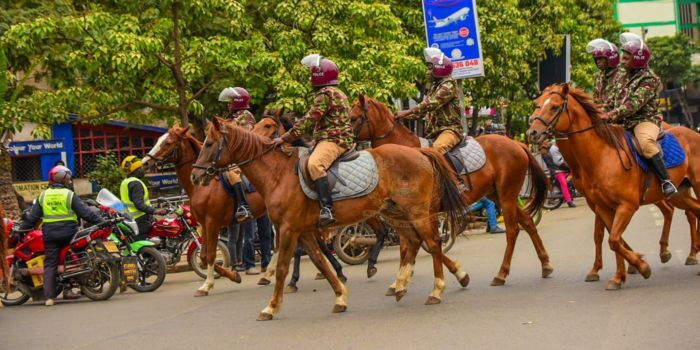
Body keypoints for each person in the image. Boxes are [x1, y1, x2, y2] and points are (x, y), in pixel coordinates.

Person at [273, 54, 355, 227]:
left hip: (334, 140)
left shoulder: (325, 94)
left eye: (312, 74)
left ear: (319, 75)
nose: (310, 78)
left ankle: (327, 209)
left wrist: (285, 137)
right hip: (330, 138)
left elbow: (310, 120)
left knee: (314, 164)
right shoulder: (336, 92)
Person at [19, 166, 105, 306]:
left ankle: (49, 298)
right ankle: (73, 287)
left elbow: (32, 218)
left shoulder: (43, 195)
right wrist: (101, 222)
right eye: (68, 178)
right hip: (69, 233)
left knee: (50, 264)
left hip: (50, 234)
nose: (69, 180)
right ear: (64, 179)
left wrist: (21, 230)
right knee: (74, 257)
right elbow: (86, 213)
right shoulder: (68, 194)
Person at [603, 33, 676, 197]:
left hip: (644, 120)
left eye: (626, 58)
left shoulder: (650, 78)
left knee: (645, 143)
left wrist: (612, 114)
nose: (622, 61)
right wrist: (599, 111)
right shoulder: (622, 76)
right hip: (622, 121)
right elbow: (612, 100)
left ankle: (666, 181)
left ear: (637, 60)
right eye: (623, 57)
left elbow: (634, 104)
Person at [395, 47, 463, 154]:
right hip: (432, 133)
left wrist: (406, 111)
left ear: (440, 67)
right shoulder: (434, 87)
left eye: (430, 67)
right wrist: (398, 117)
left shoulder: (449, 85)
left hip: (449, 130)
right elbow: (422, 112)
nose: (427, 71)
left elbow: (430, 104)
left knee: (434, 153)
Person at [218, 87, 255, 222]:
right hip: (232, 156)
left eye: (231, 101)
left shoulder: (245, 116)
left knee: (232, 172)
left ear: (238, 101)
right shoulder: (233, 117)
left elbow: (243, 138)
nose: (228, 104)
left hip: (244, 156)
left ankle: (243, 206)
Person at [120, 156, 167, 238]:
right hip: (140, 220)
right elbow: (139, 204)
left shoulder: (125, 182)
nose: (143, 170)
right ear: (137, 170)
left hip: (131, 219)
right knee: (146, 246)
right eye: (141, 168)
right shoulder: (136, 183)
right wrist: (155, 211)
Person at [586, 38, 623, 111]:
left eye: (600, 59)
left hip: (616, 115)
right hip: (600, 113)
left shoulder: (622, 75)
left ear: (611, 58)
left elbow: (619, 103)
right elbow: (595, 98)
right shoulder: (598, 76)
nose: (598, 62)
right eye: (596, 59)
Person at [540, 140, 575, 208]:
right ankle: (569, 201)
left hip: (560, 169)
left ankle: (570, 193)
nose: (547, 142)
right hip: (557, 171)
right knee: (564, 183)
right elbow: (555, 164)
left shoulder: (552, 150)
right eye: (545, 142)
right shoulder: (546, 153)